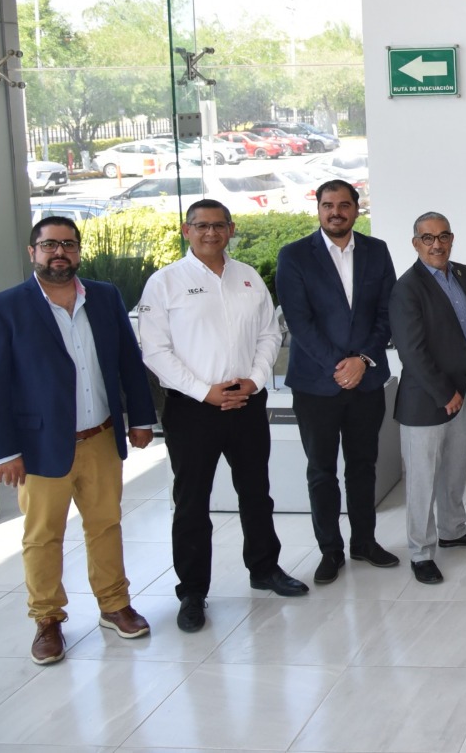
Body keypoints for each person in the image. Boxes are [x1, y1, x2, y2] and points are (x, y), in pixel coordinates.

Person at [0, 217, 157, 664]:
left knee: (106, 525)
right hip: (39, 447)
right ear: (32, 252)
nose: (60, 253)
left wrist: (141, 418)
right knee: (43, 536)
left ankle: (114, 605)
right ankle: (47, 619)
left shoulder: (105, 297)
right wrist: (4, 451)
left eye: (69, 245)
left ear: (78, 250)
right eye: (50, 245)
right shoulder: (2, 308)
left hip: (101, 436)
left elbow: (128, 361)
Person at [138, 200, 309, 633]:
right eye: (201, 226)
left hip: (246, 402)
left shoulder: (248, 277)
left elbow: (269, 334)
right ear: (186, 230)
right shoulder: (165, 282)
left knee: (256, 492)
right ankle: (193, 591)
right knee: (192, 501)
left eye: (219, 225)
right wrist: (205, 392)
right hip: (192, 408)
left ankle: (264, 569)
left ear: (231, 229)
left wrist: (254, 381)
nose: (210, 233)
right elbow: (155, 351)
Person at [274, 180, 400, 584]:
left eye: (344, 205)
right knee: (321, 471)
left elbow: (387, 313)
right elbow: (299, 322)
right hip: (316, 384)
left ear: (356, 210)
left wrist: (362, 361)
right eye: (328, 205)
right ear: (318, 209)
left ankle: (364, 542)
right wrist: (340, 365)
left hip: (367, 380)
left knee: (363, 466)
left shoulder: (376, 251)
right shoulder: (294, 256)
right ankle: (330, 550)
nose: (336, 212)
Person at [389, 213, 466, 585]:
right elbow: (411, 350)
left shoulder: (464, 274)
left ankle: (453, 529)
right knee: (422, 480)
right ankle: (421, 552)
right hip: (427, 400)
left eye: (443, 236)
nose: (437, 244)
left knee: (455, 468)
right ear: (415, 243)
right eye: (428, 238)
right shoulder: (407, 288)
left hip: (465, 391)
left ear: (452, 239)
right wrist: (443, 393)